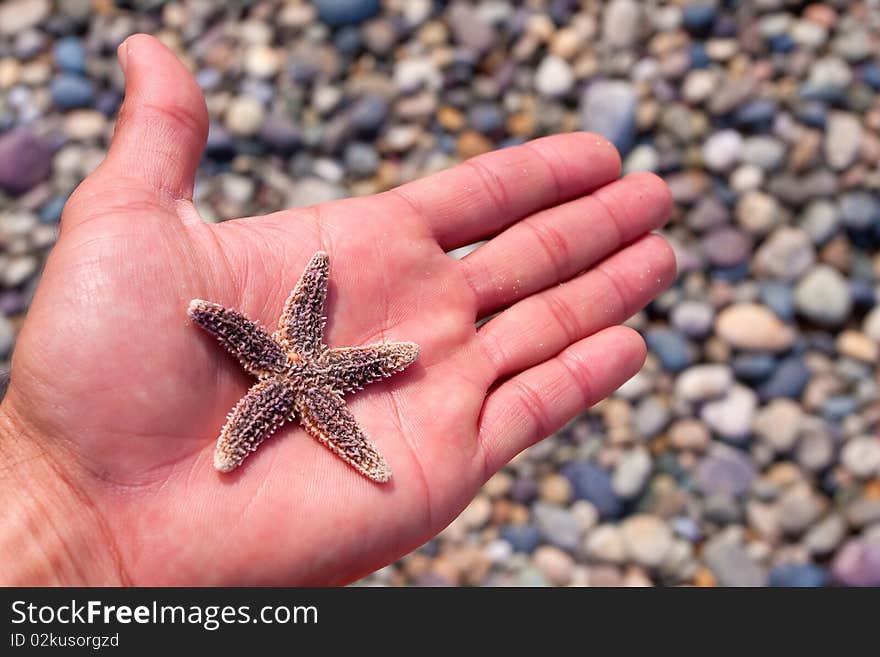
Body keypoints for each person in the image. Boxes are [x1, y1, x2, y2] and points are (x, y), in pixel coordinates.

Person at [0, 35, 675, 585]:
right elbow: (250, 334)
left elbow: (347, 346)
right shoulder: (284, 366)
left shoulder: (304, 366)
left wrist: (57, 509)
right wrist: (57, 496)